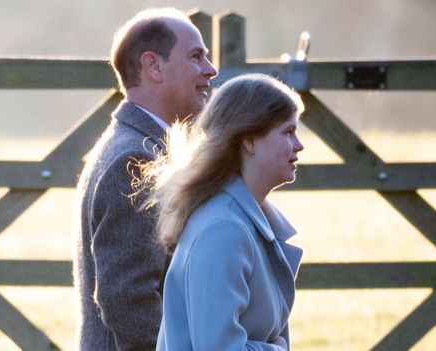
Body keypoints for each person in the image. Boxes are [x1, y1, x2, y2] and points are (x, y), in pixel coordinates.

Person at [73, 7, 217, 350]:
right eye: (196, 57)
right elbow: (127, 299)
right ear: (153, 66)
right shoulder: (134, 160)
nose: (210, 70)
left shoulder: (137, 145)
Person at [137, 73, 305, 350]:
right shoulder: (223, 228)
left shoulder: (242, 219)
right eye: (288, 132)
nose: (299, 145)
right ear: (249, 140)